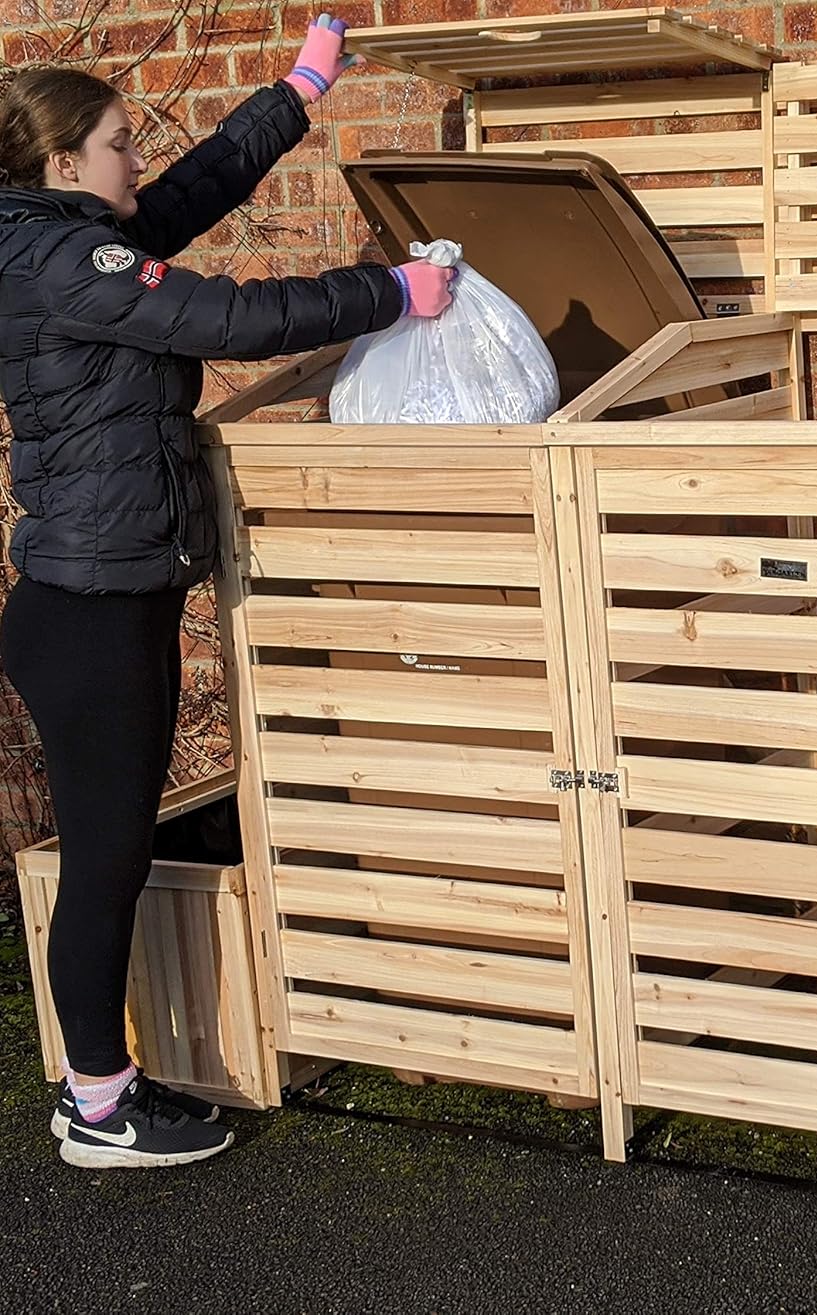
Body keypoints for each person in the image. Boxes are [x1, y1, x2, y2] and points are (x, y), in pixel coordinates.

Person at [0, 15, 453, 1170]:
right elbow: (232, 317)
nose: (134, 160)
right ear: (62, 162)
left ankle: (99, 1090)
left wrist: (296, 91)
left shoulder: (57, 237)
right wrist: (390, 293)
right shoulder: (69, 263)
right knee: (104, 858)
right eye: (114, 143)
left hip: (103, 593)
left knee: (112, 850)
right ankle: (97, 1107)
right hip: (92, 612)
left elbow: (202, 180)